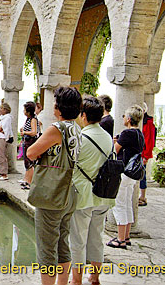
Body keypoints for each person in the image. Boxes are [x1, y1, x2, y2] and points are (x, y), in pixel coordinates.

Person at [26, 86, 82, 285]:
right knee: (62, 243)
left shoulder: (57, 128)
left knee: (47, 247)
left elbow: (31, 152)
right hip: (69, 193)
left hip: (53, 194)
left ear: (58, 108)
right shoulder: (76, 128)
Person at [69, 97, 115, 285]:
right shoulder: (108, 137)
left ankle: (76, 279)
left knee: (78, 240)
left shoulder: (81, 138)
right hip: (103, 194)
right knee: (97, 237)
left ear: (84, 115)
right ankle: (94, 277)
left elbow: (71, 166)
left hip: (82, 195)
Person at [107, 105, 144, 250]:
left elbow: (115, 151)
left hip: (123, 172)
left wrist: (115, 141)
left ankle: (120, 239)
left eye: (124, 116)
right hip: (133, 174)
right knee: (127, 203)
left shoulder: (127, 133)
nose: (122, 118)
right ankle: (126, 236)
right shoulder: (139, 134)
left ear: (128, 119)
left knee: (119, 204)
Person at [18, 101, 38, 190]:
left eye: (25, 110)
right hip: (26, 141)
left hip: (30, 141)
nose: (23, 111)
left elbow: (34, 132)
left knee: (30, 162)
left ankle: (29, 182)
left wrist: (24, 132)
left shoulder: (33, 119)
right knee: (27, 162)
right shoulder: (29, 119)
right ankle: (27, 179)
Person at [139, 102, 156, 207]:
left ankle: (142, 196)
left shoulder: (149, 122)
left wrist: (146, 155)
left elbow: (149, 140)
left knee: (142, 175)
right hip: (138, 152)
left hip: (143, 153)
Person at [0, 102, 13, 181]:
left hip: (2, 137)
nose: (0, 110)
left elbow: (2, 128)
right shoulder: (1, 117)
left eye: (1, 108)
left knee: (2, 155)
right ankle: (0, 170)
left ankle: (4, 173)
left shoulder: (7, 118)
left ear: (5, 110)